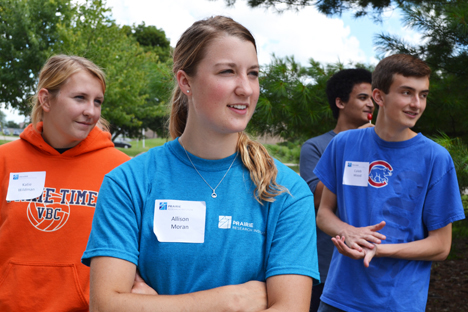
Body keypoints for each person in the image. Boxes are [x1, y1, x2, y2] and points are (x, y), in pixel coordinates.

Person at [82, 16, 320, 312]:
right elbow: (105, 306)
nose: (246, 88)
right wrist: (229, 301)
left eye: (254, 73)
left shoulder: (286, 191)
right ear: (186, 82)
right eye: (227, 72)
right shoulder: (128, 183)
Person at [314, 54, 466, 312]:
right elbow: (324, 214)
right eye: (406, 92)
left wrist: (379, 249)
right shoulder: (343, 145)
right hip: (338, 298)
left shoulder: (435, 158)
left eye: (423, 94)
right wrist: (347, 231)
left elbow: (441, 246)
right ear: (379, 96)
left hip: (397, 303)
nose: (416, 104)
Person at [0, 55, 130, 311]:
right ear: (46, 99)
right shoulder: (5, 160)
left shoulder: (121, 170)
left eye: (98, 102)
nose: (91, 111)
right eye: (80, 98)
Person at [299, 68, 373, 312]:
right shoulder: (315, 147)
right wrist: (350, 147)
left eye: (373, 97)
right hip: (326, 265)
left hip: (371, 264)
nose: (371, 104)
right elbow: (317, 199)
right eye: (363, 97)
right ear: (340, 102)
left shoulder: (383, 148)